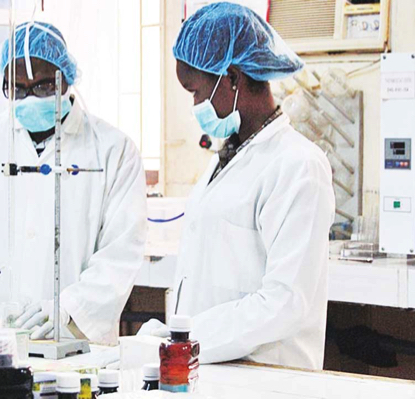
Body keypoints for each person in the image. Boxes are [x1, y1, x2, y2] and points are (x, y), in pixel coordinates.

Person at [0, 21, 146, 345]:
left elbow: (120, 253)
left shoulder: (113, 151)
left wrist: (68, 308)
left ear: (67, 78)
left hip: (74, 339)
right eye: (17, 89)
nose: (29, 98)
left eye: (43, 86)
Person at [139, 3, 335, 370]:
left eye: (196, 92)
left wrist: (185, 339)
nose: (195, 105)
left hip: (266, 377)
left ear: (231, 77)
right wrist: (177, 335)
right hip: (213, 368)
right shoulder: (225, 159)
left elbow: (285, 301)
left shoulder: (298, 165)